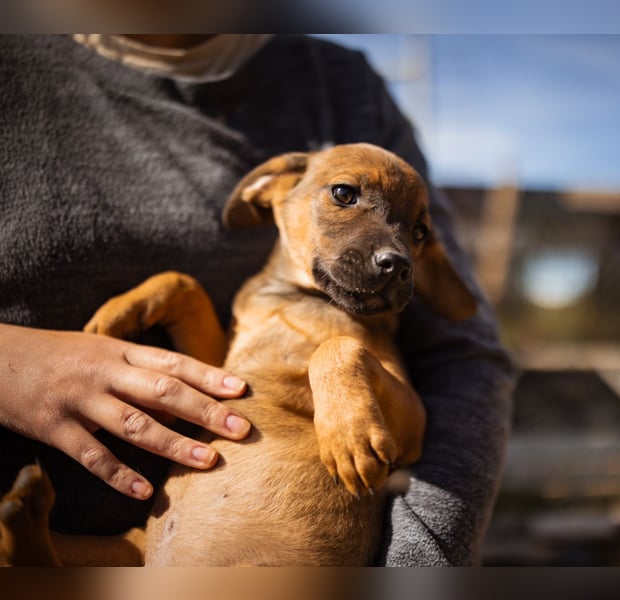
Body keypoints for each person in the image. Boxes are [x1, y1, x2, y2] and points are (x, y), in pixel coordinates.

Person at [0, 34, 515, 566]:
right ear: (271, 189)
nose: (394, 253)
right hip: (148, 545)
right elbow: (218, 376)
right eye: (345, 196)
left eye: (415, 234)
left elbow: (419, 417)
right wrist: (178, 297)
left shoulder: (362, 339)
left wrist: (340, 365)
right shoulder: (253, 303)